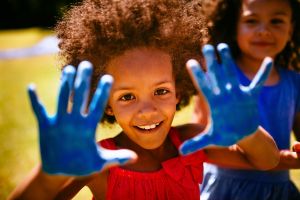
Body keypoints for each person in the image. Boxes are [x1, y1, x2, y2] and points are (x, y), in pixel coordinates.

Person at [8, 0, 280, 199]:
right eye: (127, 96)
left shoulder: (191, 144)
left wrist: (248, 132)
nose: (147, 110)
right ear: (107, 105)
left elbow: (267, 161)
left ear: (179, 90)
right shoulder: (100, 163)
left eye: (160, 91)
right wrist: (47, 176)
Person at [192, 0, 300, 199]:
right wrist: (278, 160)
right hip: (224, 191)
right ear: (235, 27)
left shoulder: (294, 82)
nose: (264, 30)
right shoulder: (219, 78)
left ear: (291, 29)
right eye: (252, 21)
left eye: (276, 21)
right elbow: (204, 148)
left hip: (278, 192)